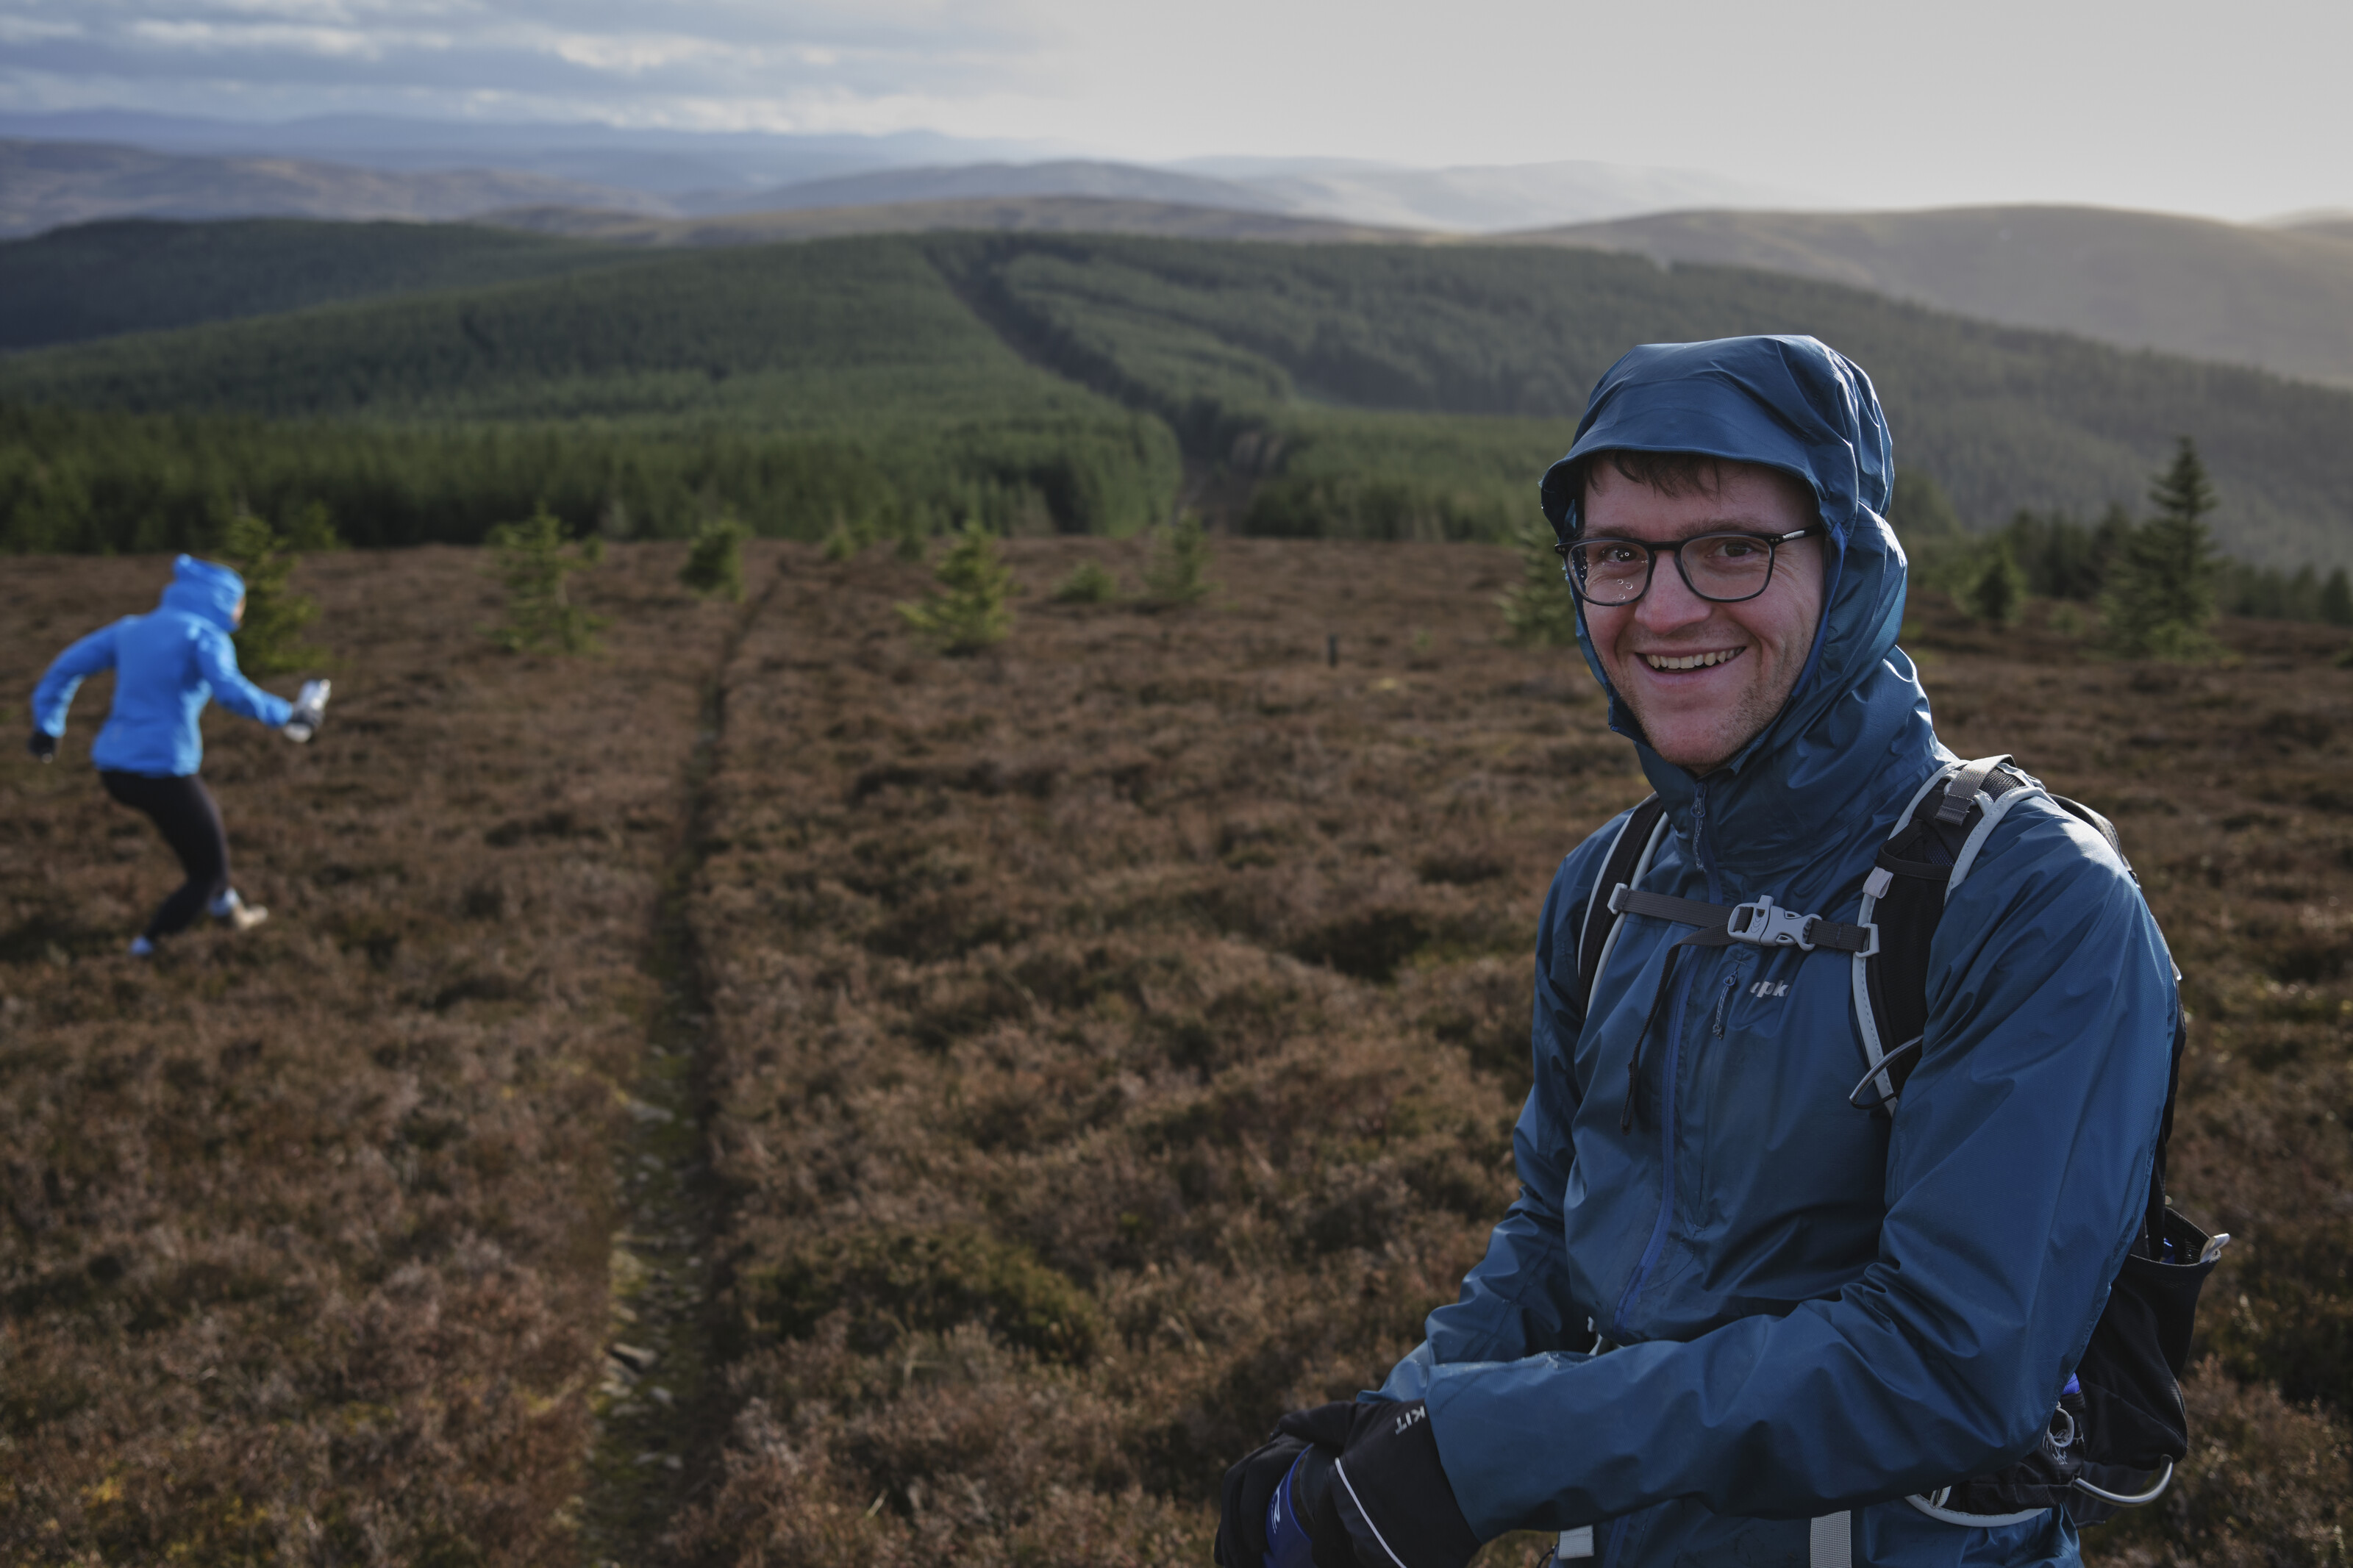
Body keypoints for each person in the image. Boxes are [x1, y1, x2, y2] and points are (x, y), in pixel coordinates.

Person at [1215, 337, 2176, 1568]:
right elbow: (1558, 1240)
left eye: (1733, 547)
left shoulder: (2033, 902)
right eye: (1617, 554)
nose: (1664, 608)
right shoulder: (1611, 884)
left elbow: (1944, 1361)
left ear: (1850, 560)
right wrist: (1380, 1434)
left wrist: (1478, 1450)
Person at [28, 554, 328, 956]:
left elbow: (65, 668)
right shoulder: (204, 637)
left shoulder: (131, 629)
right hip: (162, 771)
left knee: (201, 842)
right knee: (209, 870)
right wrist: (292, 714)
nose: (242, 612)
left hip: (114, 769)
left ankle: (230, 912)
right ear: (220, 601)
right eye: (240, 602)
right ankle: (147, 947)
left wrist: (48, 726)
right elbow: (231, 692)